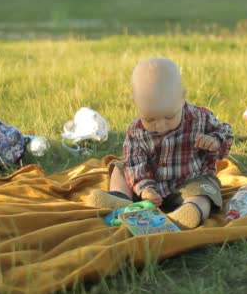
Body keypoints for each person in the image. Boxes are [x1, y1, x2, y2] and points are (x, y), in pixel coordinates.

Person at [86, 57, 233, 229]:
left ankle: (190, 212)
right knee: (120, 168)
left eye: (169, 116)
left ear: (182, 96)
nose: (161, 126)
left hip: (190, 181)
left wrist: (215, 141)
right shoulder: (136, 131)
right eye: (150, 119)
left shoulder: (201, 118)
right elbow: (135, 163)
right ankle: (121, 200)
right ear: (136, 102)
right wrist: (145, 188)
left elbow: (226, 132)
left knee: (205, 191)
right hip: (150, 184)